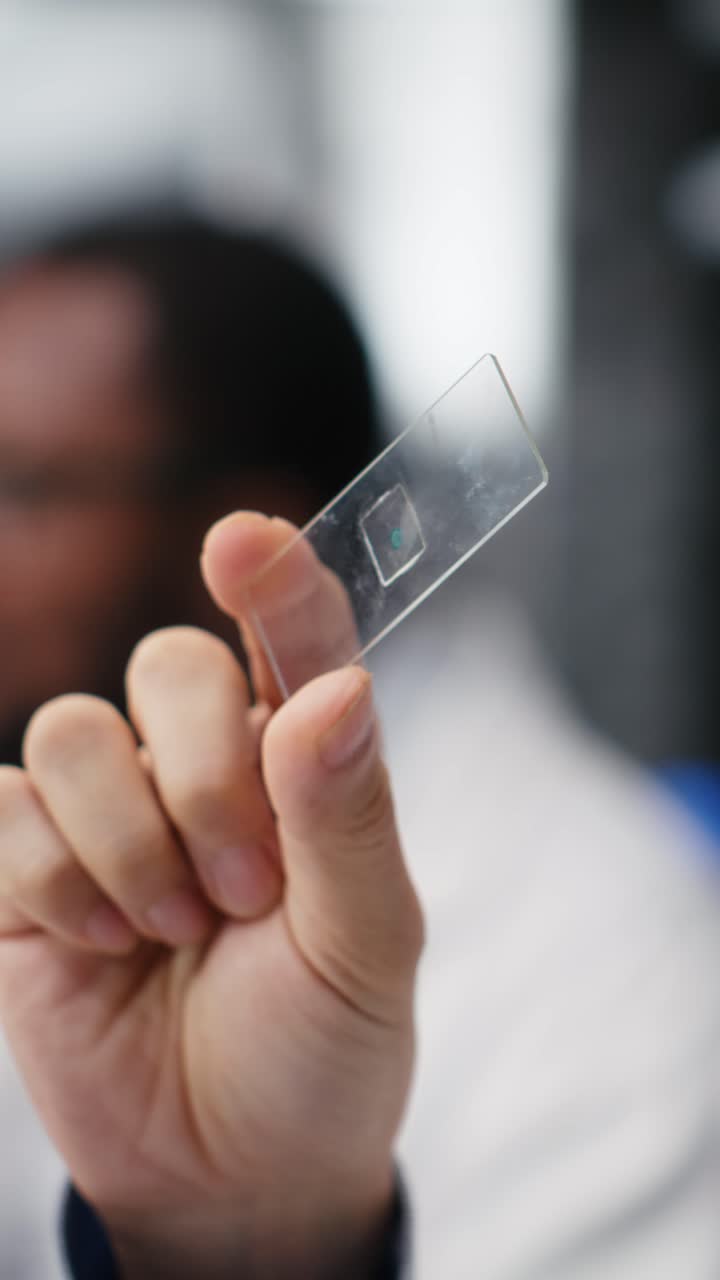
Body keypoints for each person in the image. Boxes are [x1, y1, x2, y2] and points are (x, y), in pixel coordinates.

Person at [2, 215, 720, 1279]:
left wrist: (265, 1245)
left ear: (247, 526)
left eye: (19, 487)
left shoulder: (603, 947)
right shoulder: (67, 820)